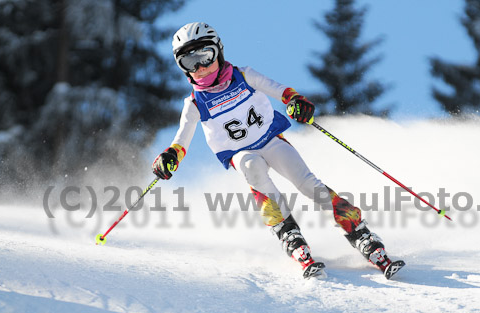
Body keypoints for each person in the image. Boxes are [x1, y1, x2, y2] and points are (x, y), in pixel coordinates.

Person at [152, 22, 404, 279]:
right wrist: (169, 157)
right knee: (252, 167)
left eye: (205, 56)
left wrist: (295, 101)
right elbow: (180, 141)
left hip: (271, 139)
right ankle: (289, 234)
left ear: (219, 51)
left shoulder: (244, 75)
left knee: (308, 184)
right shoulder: (195, 103)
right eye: (188, 62)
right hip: (240, 153)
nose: (200, 67)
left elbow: (281, 90)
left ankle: (360, 233)